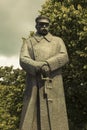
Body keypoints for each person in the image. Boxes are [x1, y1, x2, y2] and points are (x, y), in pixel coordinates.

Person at [19, 15, 69, 130]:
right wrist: (39, 66)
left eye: (46, 24)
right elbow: (23, 59)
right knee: (32, 114)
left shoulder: (58, 41)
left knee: (57, 114)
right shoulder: (29, 42)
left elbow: (64, 56)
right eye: (41, 24)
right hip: (35, 83)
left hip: (54, 81)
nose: (44, 27)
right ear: (36, 25)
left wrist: (48, 64)